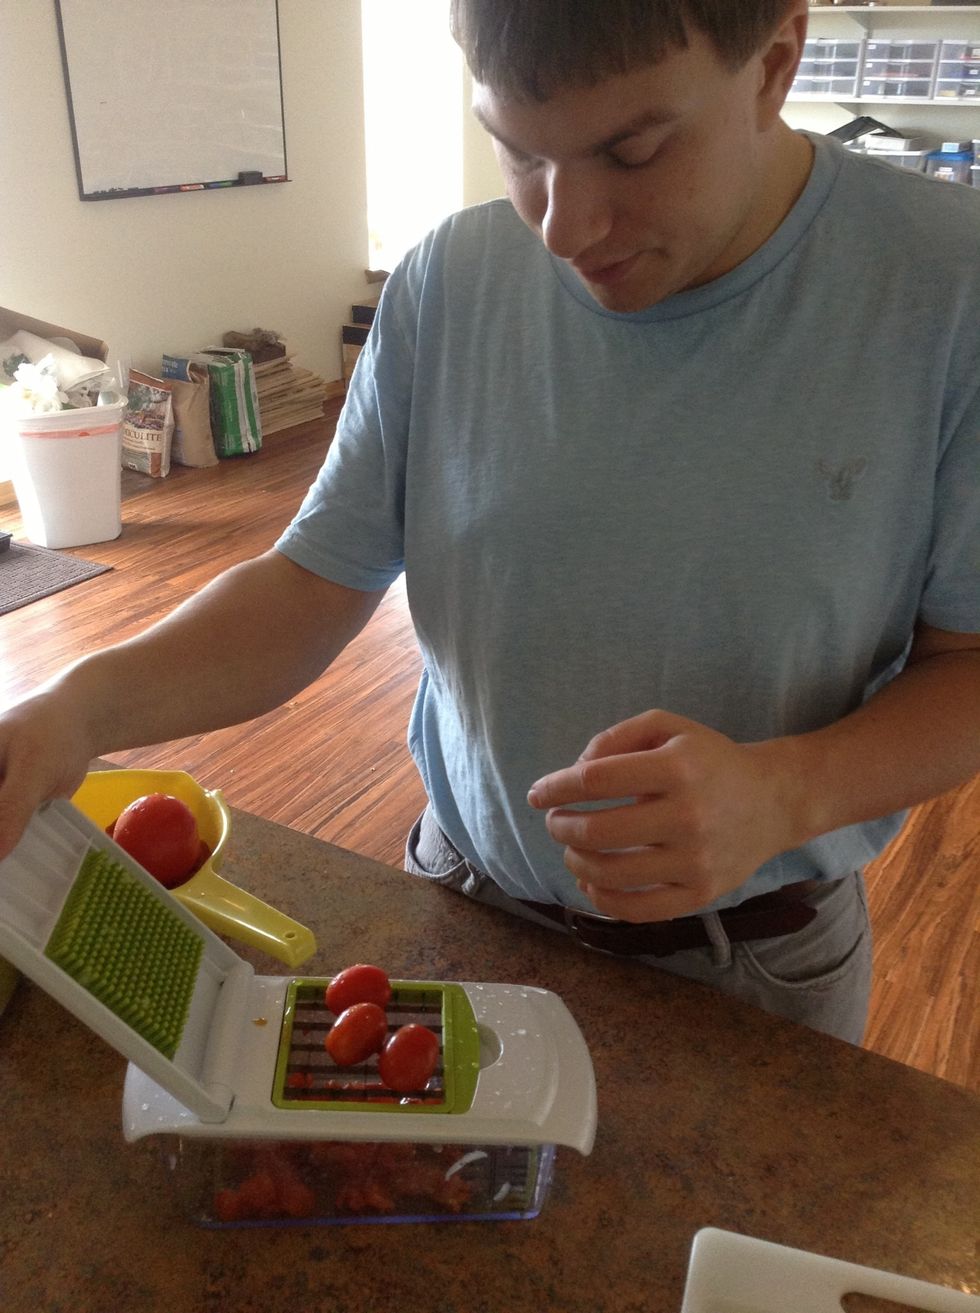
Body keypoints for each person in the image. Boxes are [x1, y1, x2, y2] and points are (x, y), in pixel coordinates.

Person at [1, 0, 978, 1046]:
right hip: (459, 903)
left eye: (632, 151)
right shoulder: (448, 278)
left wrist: (785, 794)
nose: (562, 228)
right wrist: (79, 708)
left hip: (753, 968)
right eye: (517, 152)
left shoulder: (945, 289)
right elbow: (311, 583)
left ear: (775, 63)